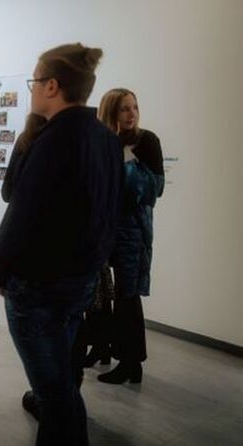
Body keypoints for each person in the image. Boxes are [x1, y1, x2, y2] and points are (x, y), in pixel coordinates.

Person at [0, 43, 123, 446]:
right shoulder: (104, 137)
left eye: (34, 82)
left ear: (51, 85)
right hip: (77, 284)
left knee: (55, 393)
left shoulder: (52, 142)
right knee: (61, 383)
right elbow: (110, 210)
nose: (31, 90)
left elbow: (21, 218)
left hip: (38, 290)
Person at [97, 88, 164, 385]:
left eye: (134, 107)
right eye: (124, 108)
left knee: (127, 296)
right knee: (101, 292)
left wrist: (124, 157)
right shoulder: (102, 142)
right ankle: (104, 348)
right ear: (111, 111)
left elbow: (152, 189)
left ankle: (131, 362)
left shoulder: (146, 140)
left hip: (132, 231)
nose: (132, 113)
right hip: (103, 228)